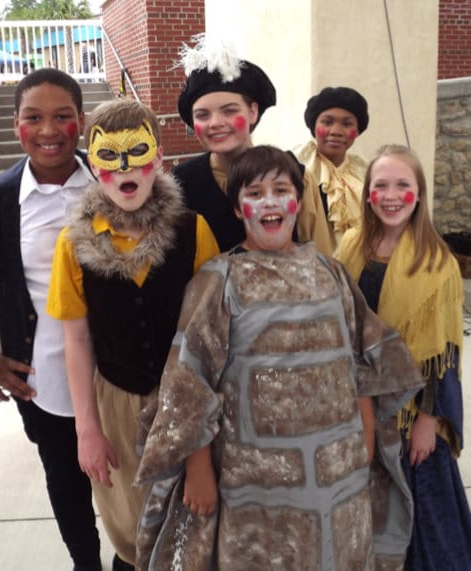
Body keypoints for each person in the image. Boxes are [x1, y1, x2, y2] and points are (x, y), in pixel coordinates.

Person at [134, 145, 424, 570]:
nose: (269, 202)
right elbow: (190, 384)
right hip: (251, 481)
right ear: (237, 209)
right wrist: (198, 469)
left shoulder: (331, 273)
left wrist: (365, 438)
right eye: (255, 193)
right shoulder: (219, 282)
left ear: (299, 202)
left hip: (336, 474)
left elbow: (361, 361)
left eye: (280, 189)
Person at [46, 98, 219, 571]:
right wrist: (87, 429)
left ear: (158, 158)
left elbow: (210, 331)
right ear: (93, 164)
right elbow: (76, 340)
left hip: (185, 397)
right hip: (117, 400)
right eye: (110, 156)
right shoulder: (73, 242)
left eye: (137, 153)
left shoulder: (192, 230)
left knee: (192, 519)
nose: (126, 168)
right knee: (130, 523)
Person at [0, 68, 102, 571]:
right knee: (65, 477)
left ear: (82, 120)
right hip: (42, 379)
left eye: (62, 117)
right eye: (35, 118)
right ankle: (86, 563)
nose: (50, 130)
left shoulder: (116, 179)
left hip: (123, 372)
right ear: (17, 126)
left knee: (132, 477)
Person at [337, 144, 471, 571]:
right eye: (381, 185)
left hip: (410, 413)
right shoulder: (351, 247)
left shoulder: (437, 262)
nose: (391, 195)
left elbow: (441, 356)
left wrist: (429, 420)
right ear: (368, 193)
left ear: (419, 193)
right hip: (359, 404)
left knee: (421, 517)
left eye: (403, 185)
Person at [173, 33, 333, 255]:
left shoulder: (294, 174)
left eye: (230, 111)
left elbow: (321, 261)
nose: (216, 123)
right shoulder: (180, 185)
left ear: (253, 111)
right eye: (203, 115)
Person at [293, 86, 369, 250]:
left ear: (357, 131)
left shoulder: (365, 171)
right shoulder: (296, 165)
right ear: (314, 126)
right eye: (327, 122)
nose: (336, 131)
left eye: (347, 124)